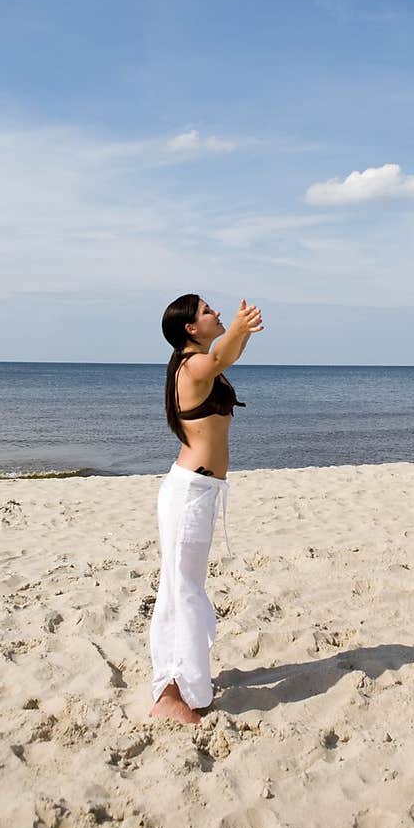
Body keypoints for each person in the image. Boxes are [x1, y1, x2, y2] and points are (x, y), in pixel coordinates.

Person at [149, 293, 263, 725]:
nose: (213, 313)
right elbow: (218, 360)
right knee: (182, 592)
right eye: (206, 311)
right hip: (189, 494)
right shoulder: (192, 366)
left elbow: (224, 355)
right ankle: (171, 694)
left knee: (186, 588)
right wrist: (237, 326)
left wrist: (241, 331)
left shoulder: (200, 361)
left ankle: (186, 685)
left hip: (201, 492)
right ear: (190, 329)